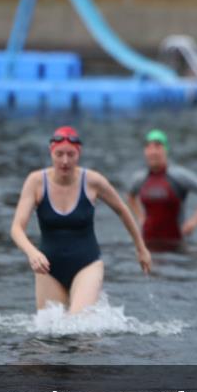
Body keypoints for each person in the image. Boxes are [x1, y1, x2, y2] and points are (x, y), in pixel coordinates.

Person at [11, 126, 152, 314]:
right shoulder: (36, 182)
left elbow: (122, 210)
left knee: (79, 326)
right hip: (48, 269)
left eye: (71, 155)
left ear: (79, 154)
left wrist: (141, 249)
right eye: (59, 154)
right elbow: (16, 228)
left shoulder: (92, 181)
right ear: (51, 152)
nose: (65, 161)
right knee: (49, 335)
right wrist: (32, 252)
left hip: (87, 265)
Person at [127, 129, 197, 251]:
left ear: (165, 150)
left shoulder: (178, 176)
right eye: (149, 147)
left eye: (157, 146)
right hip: (147, 242)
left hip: (176, 245)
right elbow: (130, 196)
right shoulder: (140, 178)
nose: (153, 151)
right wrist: (140, 218)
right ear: (145, 151)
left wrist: (194, 221)